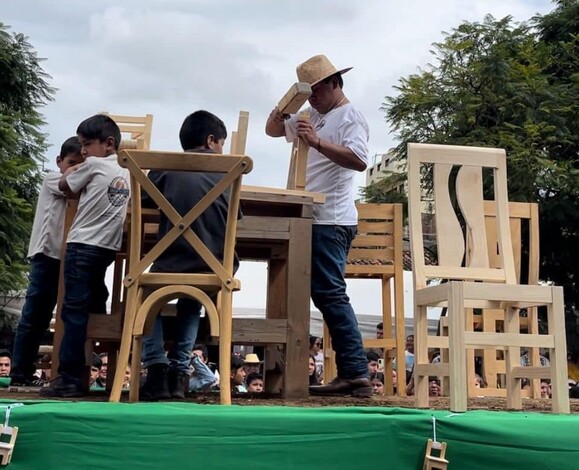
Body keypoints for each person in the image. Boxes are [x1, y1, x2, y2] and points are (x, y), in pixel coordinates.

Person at [265, 54, 370, 397]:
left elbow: (358, 160)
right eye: (307, 92)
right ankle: (352, 372)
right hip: (311, 215)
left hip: (332, 217)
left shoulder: (349, 115)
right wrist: (281, 112)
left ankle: (356, 372)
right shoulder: (314, 116)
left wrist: (318, 142)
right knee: (321, 292)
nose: (312, 97)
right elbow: (272, 131)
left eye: (317, 89)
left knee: (329, 293)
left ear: (335, 83)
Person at [139, 110, 235, 401]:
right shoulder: (228, 173)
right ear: (210, 141)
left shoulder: (163, 169)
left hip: (169, 260)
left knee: (145, 295)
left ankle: (156, 368)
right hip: (212, 265)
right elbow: (235, 216)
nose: (222, 151)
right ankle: (180, 373)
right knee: (192, 300)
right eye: (221, 144)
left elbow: (142, 200)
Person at [40, 114, 130, 397]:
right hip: (108, 248)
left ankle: (70, 378)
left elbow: (67, 187)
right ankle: (96, 358)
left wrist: (69, 172)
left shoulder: (91, 164)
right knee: (93, 299)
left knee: (72, 313)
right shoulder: (129, 170)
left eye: (86, 144)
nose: (82, 152)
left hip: (81, 245)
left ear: (109, 144)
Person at [10, 138, 84, 387]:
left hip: (69, 256)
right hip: (47, 254)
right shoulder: (52, 179)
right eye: (72, 163)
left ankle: (65, 372)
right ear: (59, 161)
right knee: (35, 316)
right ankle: (20, 372)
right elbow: (70, 185)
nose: (77, 168)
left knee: (68, 314)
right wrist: (91, 167)